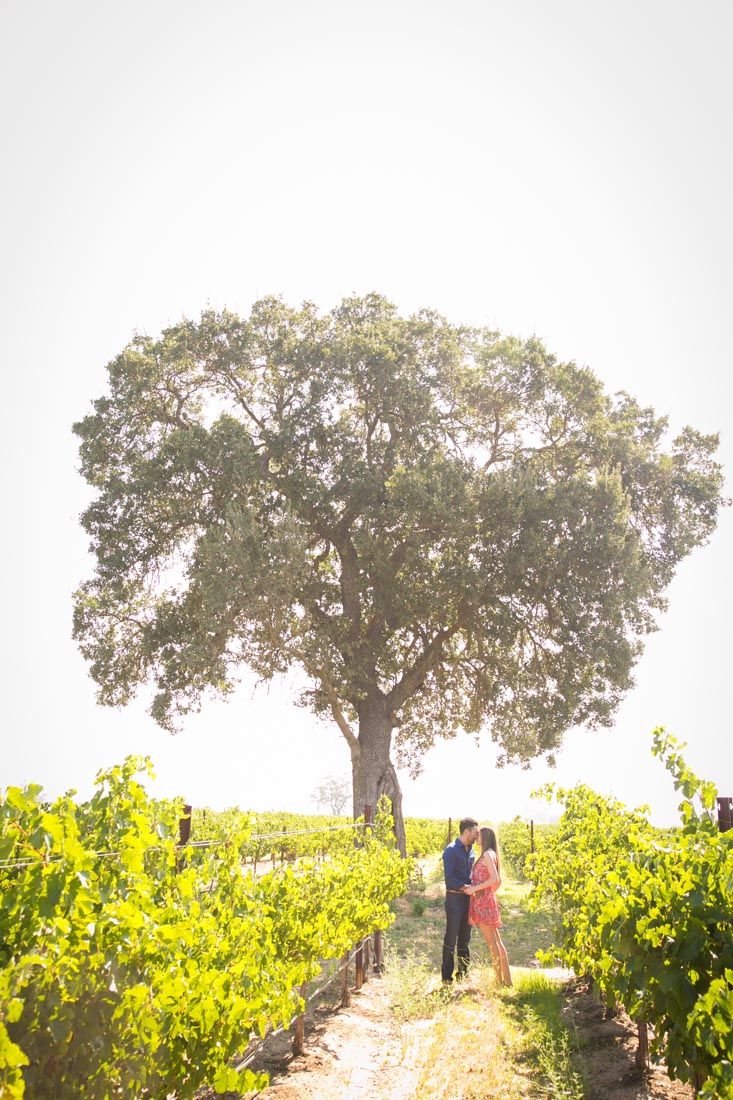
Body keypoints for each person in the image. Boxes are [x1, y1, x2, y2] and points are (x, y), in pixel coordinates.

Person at [465, 825, 512, 986]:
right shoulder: (490, 854)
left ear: (485, 838)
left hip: (483, 902)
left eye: (479, 836)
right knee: (496, 941)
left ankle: (499, 981)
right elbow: (495, 881)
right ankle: (506, 980)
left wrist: (475, 889)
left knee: (492, 942)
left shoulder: (487, 855)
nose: (476, 838)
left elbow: (495, 879)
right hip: (486, 900)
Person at [441, 817, 479, 982]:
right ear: (466, 831)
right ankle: (446, 977)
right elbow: (449, 879)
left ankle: (463, 974)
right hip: (455, 899)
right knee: (451, 937)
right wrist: (466, 888)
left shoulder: (471, 850)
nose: (477, 836)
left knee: (465, 937)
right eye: (475, 832)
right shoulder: (450, 850)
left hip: (468, 899)